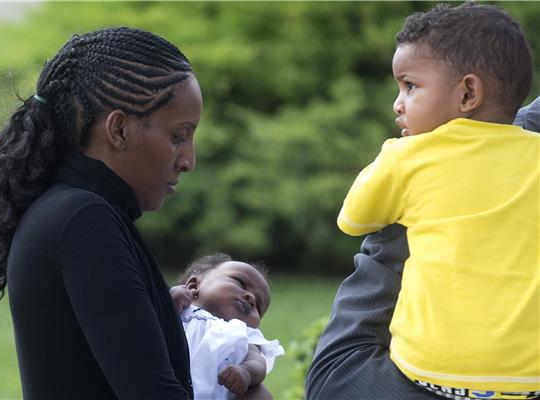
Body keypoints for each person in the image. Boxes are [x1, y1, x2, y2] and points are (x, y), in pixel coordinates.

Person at [307, 3, 539, 400]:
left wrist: (392, 158)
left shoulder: (406, 158)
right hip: (528, 378)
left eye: (409, 86)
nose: (398, 103)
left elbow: (353, 219)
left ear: (468, 92)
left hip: (430, 371)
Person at [0, 27, 202, 399]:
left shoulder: (69, 211)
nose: (189, 160)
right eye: (178, 136)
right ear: (119, 129)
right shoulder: (84, 219)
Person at [170, 253, 284, 400]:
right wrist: (169, 299)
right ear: (193, 285)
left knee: (260, 395)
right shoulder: (178, 309)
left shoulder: (240, 334)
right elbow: (145, 323)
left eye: (259, 306)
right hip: (156, 383)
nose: (251, 298)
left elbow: (257, 362)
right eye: (240, 282)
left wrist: (246, 372)